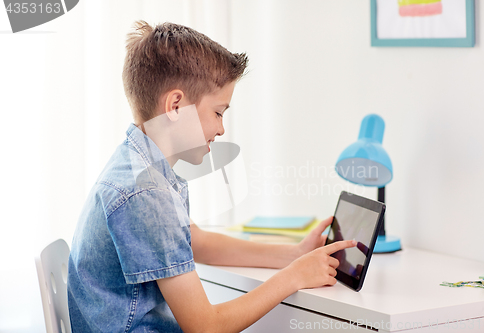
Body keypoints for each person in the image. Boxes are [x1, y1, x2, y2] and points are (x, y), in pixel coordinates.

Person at [67, 20, 356, 333]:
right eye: (218, 112)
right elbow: (205, 327)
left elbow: (196, 242)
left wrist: (294, 255)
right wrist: (294, 277)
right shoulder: (147, 194)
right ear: (175, 106)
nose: (221, 129)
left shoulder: (138, 164)